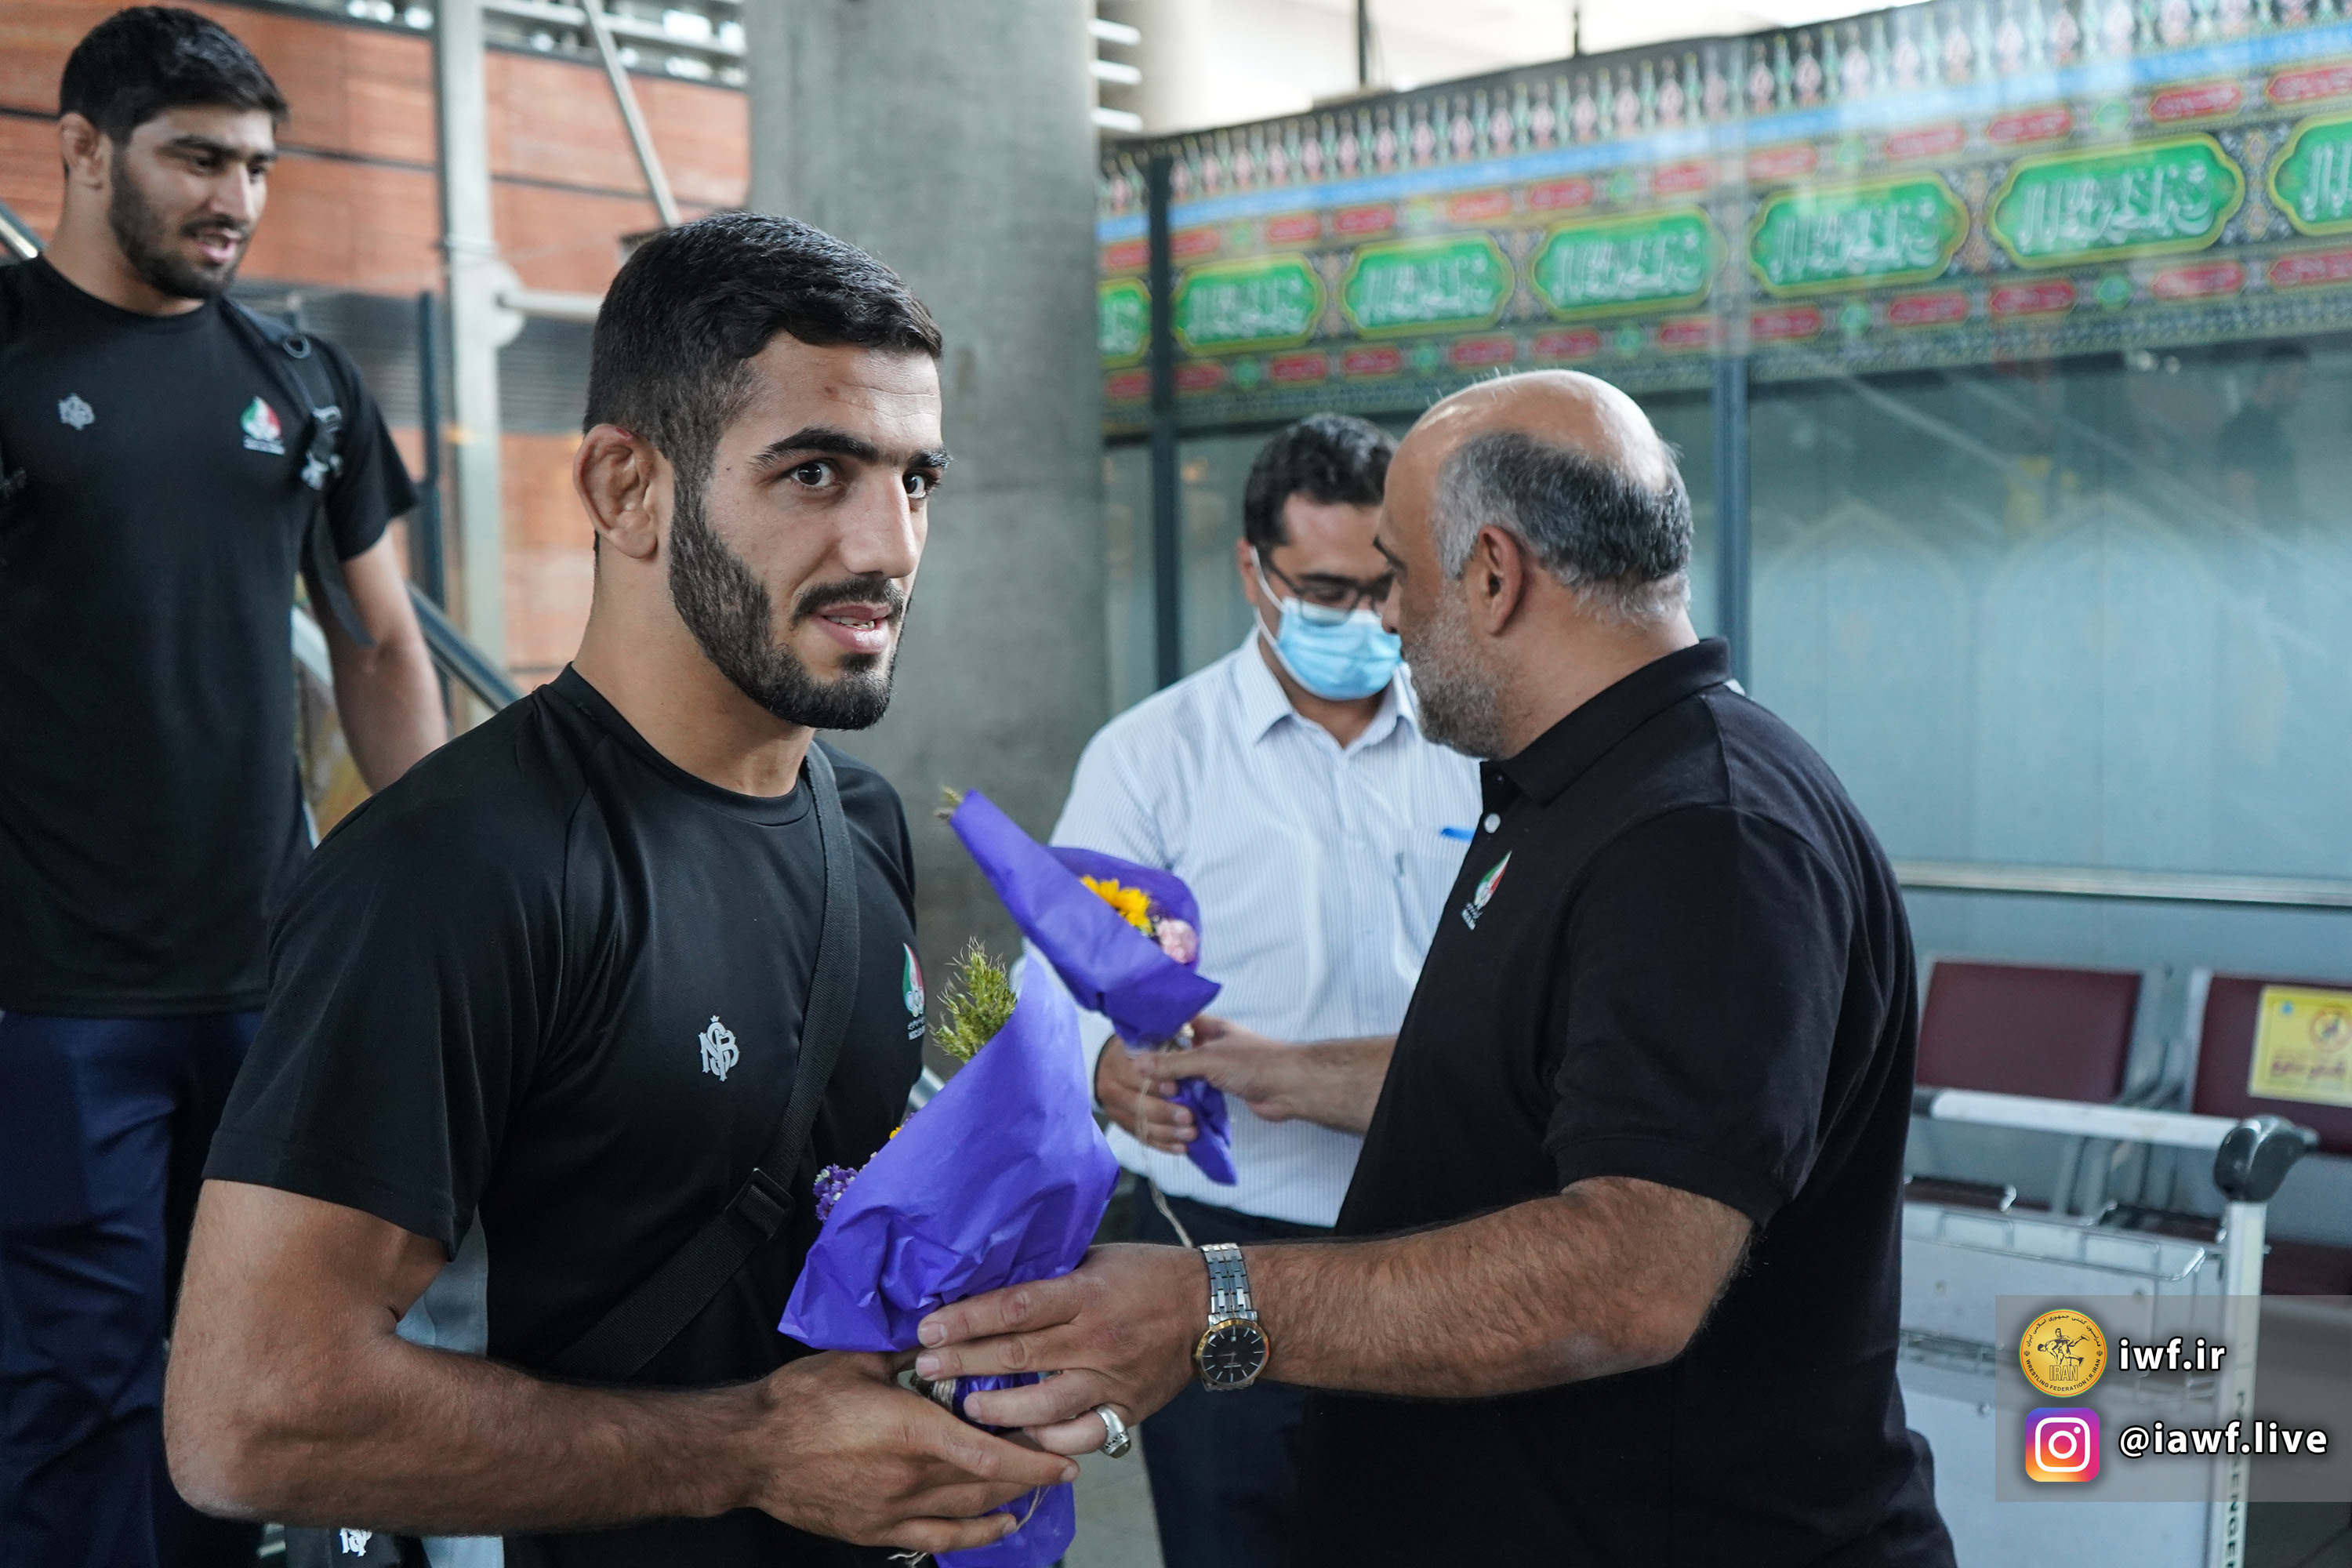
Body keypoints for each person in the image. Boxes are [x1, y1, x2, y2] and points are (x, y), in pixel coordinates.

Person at [914, 369, 1957, 1566]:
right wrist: (1284, 1075)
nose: (1389, 624)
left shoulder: (1702, 837)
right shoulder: (1570, 787)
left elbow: (1627, 1279)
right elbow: (1535, 1073)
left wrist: (1213, 1304)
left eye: (1399, 578)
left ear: (1495, 575)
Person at [161, 213, 1075, 1565]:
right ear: (625, 487)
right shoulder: (451, 873)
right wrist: (751, 1452)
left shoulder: (862, 824)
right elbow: (249, 1419)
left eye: (917, 479)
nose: (889, 545)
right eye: (815, 472)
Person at [0, 11, 445, 1566]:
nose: (235, 199)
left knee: (241, 1392)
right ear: (80, 148)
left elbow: (380, 645)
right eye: (197, 158)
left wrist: (447, 896)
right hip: (50, 999)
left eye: (256, 165)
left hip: (267, 991)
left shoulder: (302, 382)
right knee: (75, 1391)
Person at [1053, 413, 1477, 1567]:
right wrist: (1104, 1065)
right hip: (1220, 1250)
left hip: (1449, 1236)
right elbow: (1062, 977)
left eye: (1386, 586)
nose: (1366, 620)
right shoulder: (1152, 757)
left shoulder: (1475, 742)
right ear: (1254, 571)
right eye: (1327, 592)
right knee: (1239, 1540)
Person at [2218, 340, 2310, 530]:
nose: (2302, 394)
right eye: (2297, 381)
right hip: (2265, 545)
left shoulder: (2268, 429)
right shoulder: (2244, 431)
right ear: (2271, 379)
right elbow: (2241, 507)